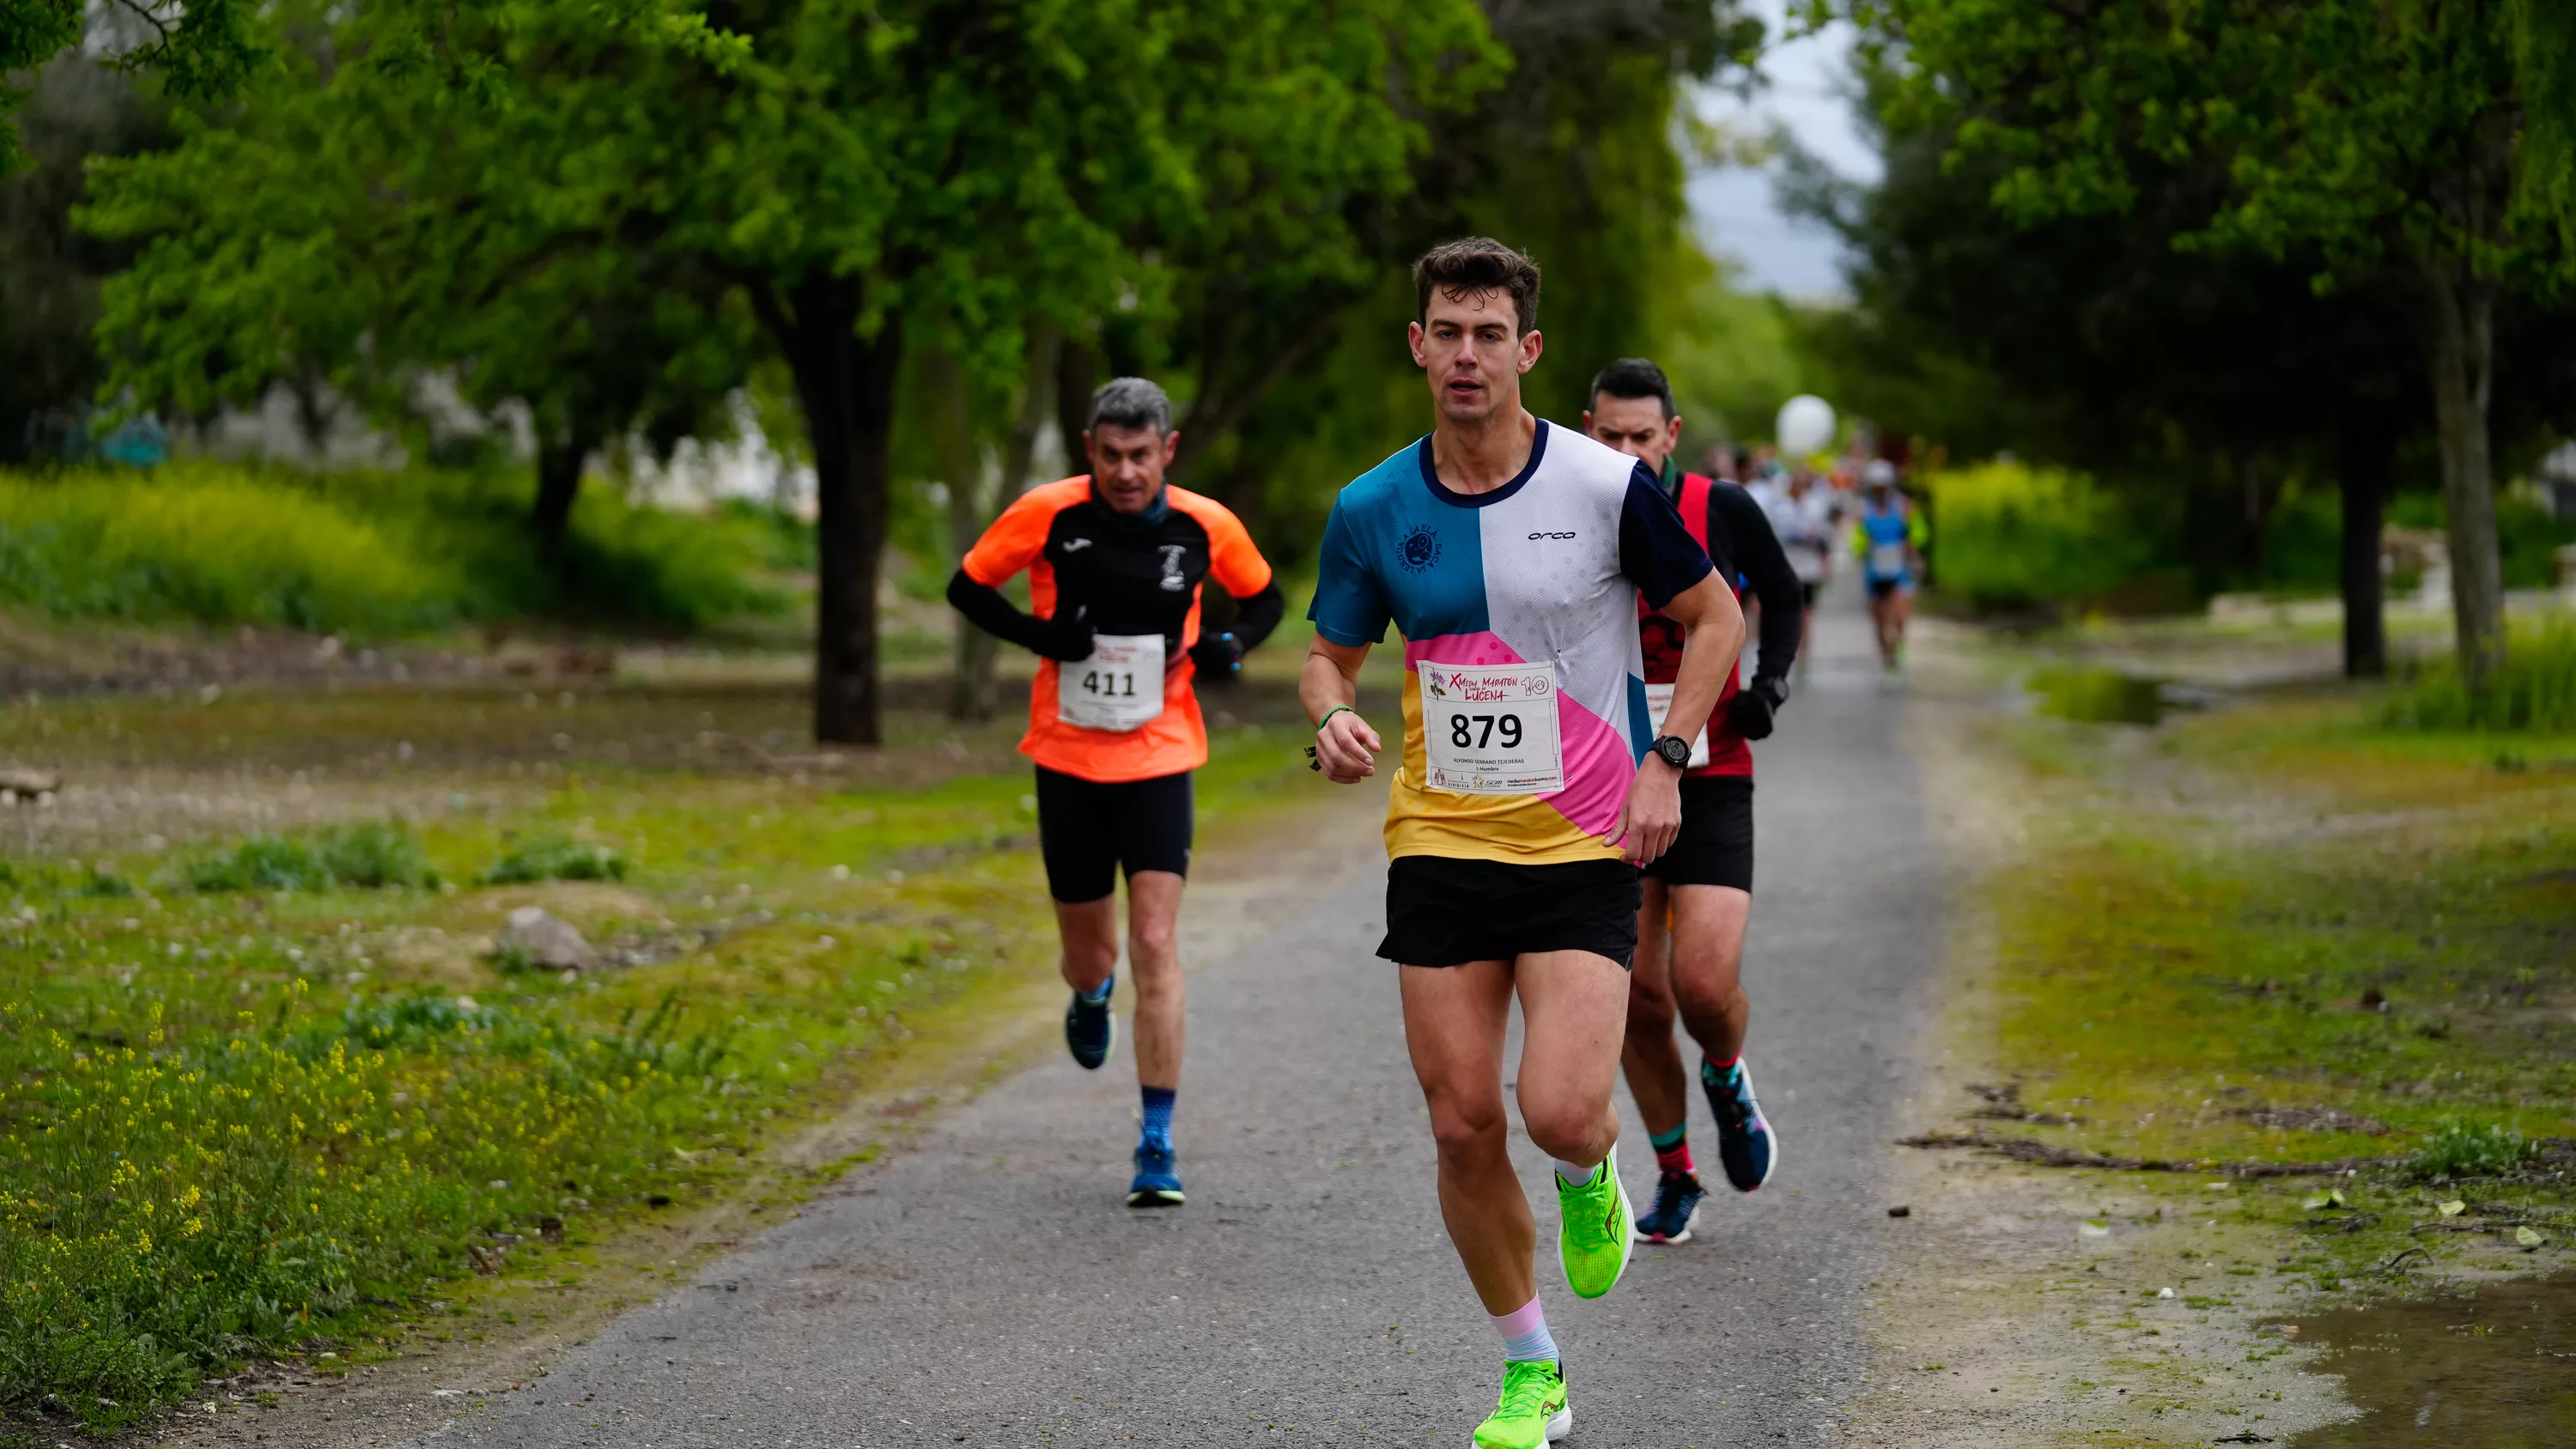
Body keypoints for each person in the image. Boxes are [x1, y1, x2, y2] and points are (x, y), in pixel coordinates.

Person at [1303, 239, 1744, 1449]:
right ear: (1418, 345)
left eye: (1489, 334)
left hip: (1581, 841)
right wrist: (1333, 714)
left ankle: (1592, 1166)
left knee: (1557, 1110)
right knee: (1459, 1124)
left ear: (1527, 351)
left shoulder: (1605, 486)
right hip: (1440, 842)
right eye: (1447, 331)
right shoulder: (1372, 507)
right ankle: (1531, 1367)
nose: (1465, 355)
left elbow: (1714, 620)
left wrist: (1668, 760)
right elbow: (1328, 653)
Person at [946, 377, 1284, 1207]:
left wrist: (1229, 650)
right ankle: (1090, 991)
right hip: (1065, 758)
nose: (1126, 472)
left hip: (1162, 755)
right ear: (1090, 450)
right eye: (1110, 455)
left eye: (1141, 456)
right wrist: (1044, 639)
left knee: (1157, 943)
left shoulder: (1205, 525)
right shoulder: (1051, 513)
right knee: (1091, 952)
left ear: (1167, 451)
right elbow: (967, 588)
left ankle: (1157, 1140)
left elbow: (1266, 598)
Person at [1580, 359, 1801, 1246]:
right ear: (1584, 427)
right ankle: (1674, 1171)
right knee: (1637, 998)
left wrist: (1772, 686)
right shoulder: (1563, 509)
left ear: (1670, 436)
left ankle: (1725, 1070)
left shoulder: (1722, 507)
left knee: (1702, 984)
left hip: (1711, 770)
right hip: (1606, 779)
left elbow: (1780, 594)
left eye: (1642, 436)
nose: (1626, 451)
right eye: (1610, 435)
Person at [1853, 459, 1923, 674]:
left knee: (1899, 616)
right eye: (1876, 487)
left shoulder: (1904, 507)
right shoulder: (1864, 510)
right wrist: (1865, 545)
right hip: (1875, 573)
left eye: (1883, 486)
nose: (1880, 491)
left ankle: (1898, 646)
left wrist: (1910, 544)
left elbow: (1920, 532)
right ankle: (1887, 660)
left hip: (1899, 571)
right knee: (1880, 620)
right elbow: (1856, 541)